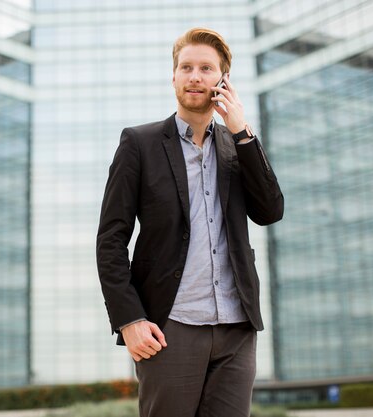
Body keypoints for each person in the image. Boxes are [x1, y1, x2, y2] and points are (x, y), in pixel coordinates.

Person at [96, 27, 284, 417]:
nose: (195, 76)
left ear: (223, 80)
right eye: (186, 67)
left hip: (236, 328)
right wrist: (129, 319)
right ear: (174, 77)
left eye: (206, 68)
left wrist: (242, 131)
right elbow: (111, 240)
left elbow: (270, 211)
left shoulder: (238, 146)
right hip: (170, 328)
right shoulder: (139, 143)